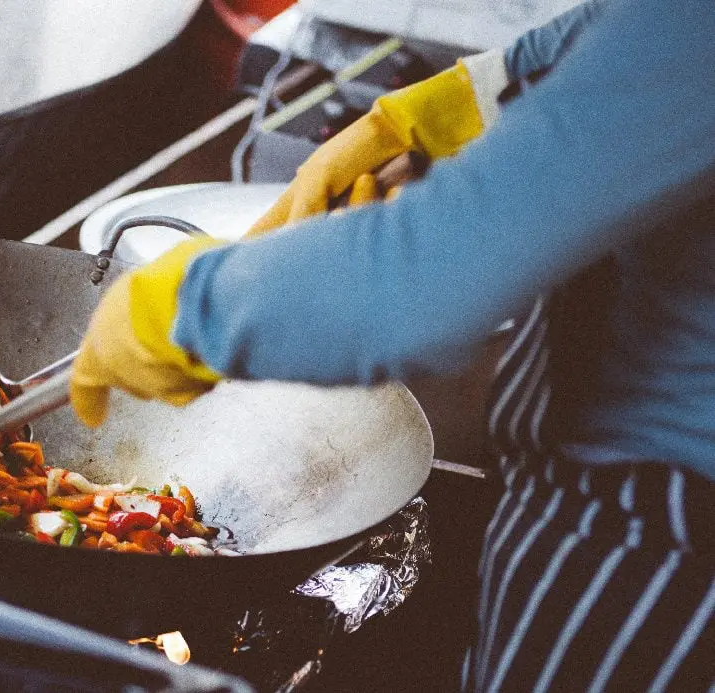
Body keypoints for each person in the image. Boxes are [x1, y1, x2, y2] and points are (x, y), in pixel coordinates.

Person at [69, 0, 713, 690]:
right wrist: (470, 97)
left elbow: (422, 284)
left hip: (656, 541)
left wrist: (183, 307)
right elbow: (624, 35)